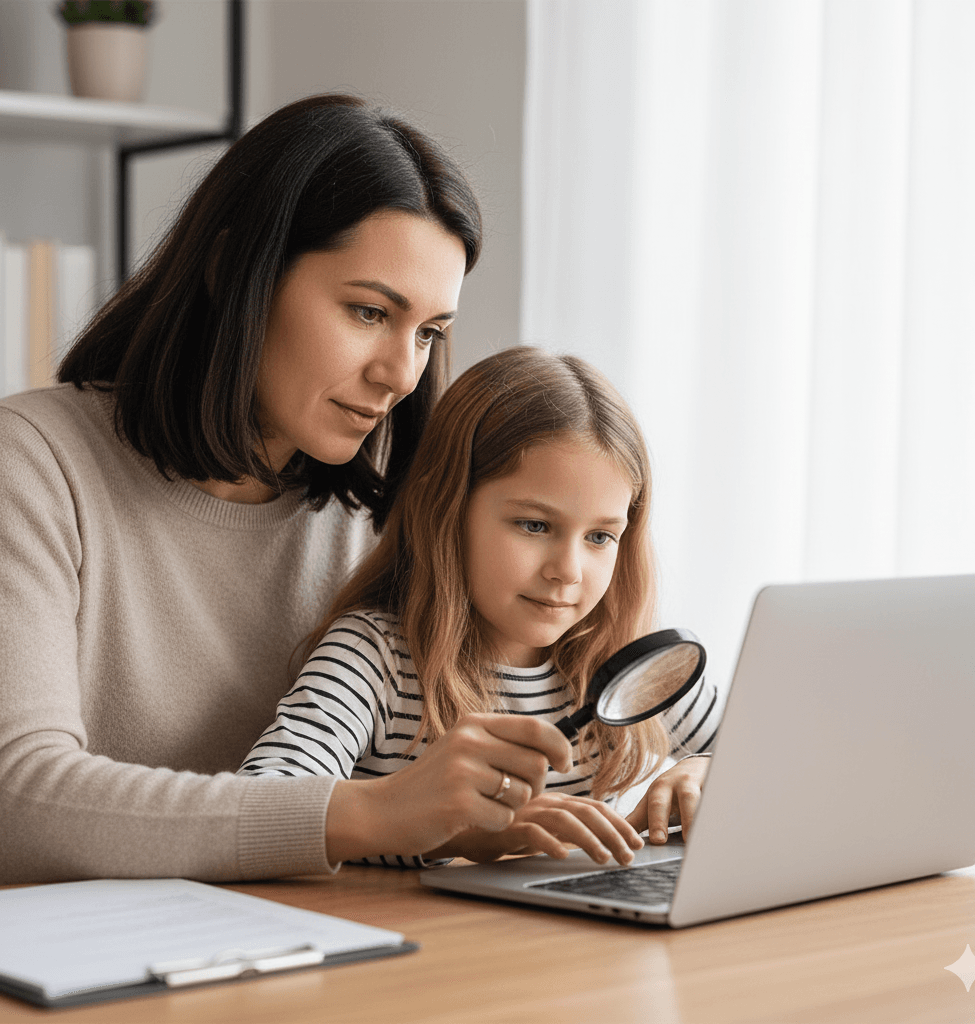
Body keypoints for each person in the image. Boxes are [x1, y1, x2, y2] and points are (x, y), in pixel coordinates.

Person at [0, 94, 572, 885]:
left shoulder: (377, 518)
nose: (401, 374)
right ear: (234, 270)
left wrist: (675, 779)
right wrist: (368, 814)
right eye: (370, 311)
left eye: (430, 332)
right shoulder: (31, 464)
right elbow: (19, 801)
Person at [240, 346, 721, 868]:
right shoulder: (375, 656)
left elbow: (780, 751)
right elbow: (260, 808)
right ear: (445, 510)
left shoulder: (622, 661)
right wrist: (453, 834)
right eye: (535, 526)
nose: (568, 570)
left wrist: (707, 771)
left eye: (600, 537)